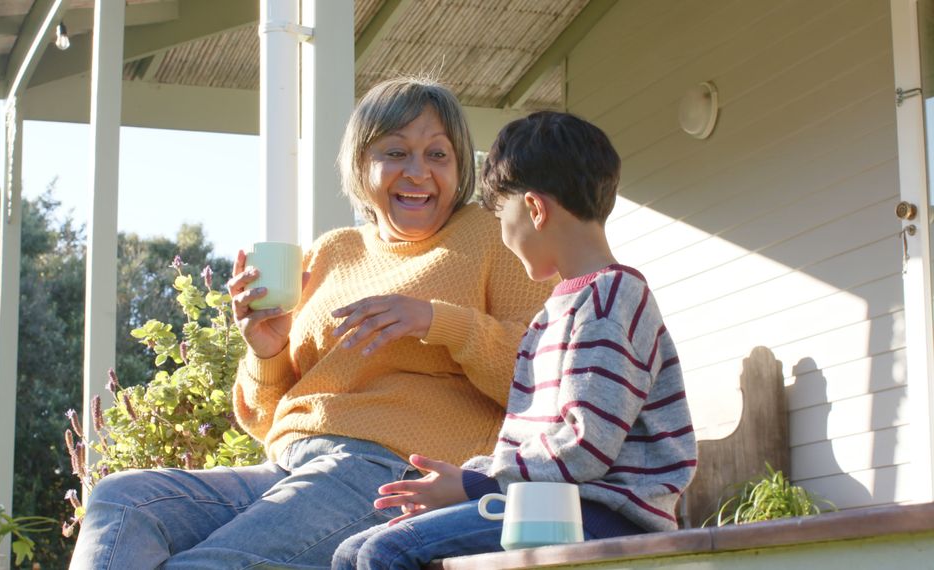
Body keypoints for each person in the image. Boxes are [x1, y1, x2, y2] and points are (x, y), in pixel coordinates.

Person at [68, 77, 554, 569]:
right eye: (396, 152)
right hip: (289, 463)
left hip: (391, 471)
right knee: (122, 500)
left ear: (458, 167)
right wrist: (267, 351)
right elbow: (264, 417)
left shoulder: (492, 236)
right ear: (362, 166)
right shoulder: (332, 251)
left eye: (437, 155)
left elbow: (543, 376)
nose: (417, 172)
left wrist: (437, 320)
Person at [332, 111, 698, 569]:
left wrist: (473, 487)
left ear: (535, 209)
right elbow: (527, 446)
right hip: (544, 505)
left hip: (603, 514)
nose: (503, 237)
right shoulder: (550, 316)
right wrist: (472, 477)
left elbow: (585, 446)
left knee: (388, 552)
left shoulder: (611, 298)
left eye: (502, 218)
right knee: (351, 552)